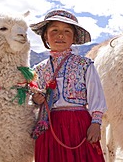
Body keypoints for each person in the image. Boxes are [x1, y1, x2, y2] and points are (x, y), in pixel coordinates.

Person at [30, 9, 106, 162]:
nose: (60, 35)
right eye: (54, 30)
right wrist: (36, 99)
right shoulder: (39, 69)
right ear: (45, 36)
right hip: (50, 126)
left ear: (74, 37)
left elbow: (96, 95)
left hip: (79, 124)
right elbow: (35, 98)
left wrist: (96, 123)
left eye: (67, 31)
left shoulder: (84, 64)